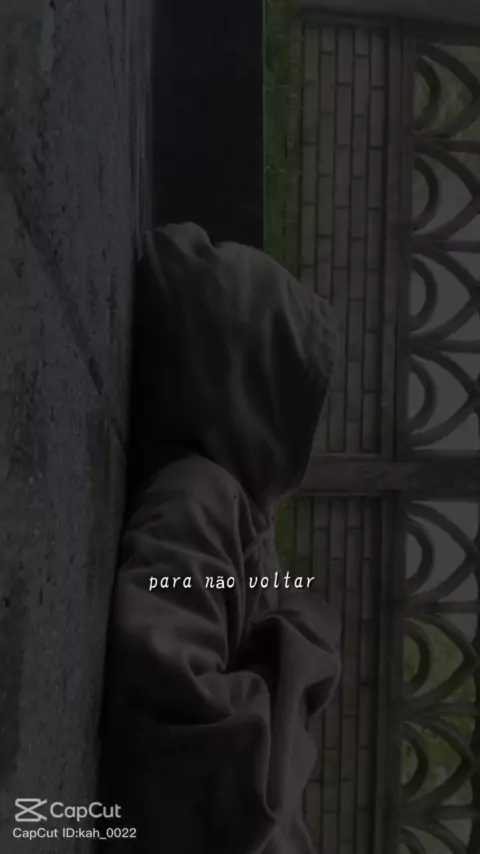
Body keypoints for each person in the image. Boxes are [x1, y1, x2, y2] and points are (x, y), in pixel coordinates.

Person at [100, 222, 342, 853]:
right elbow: (186, 733)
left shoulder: (233, 513)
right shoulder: (199, 500)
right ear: (248, 383)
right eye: (296, 396)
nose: (306, 439)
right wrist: (304, 643)